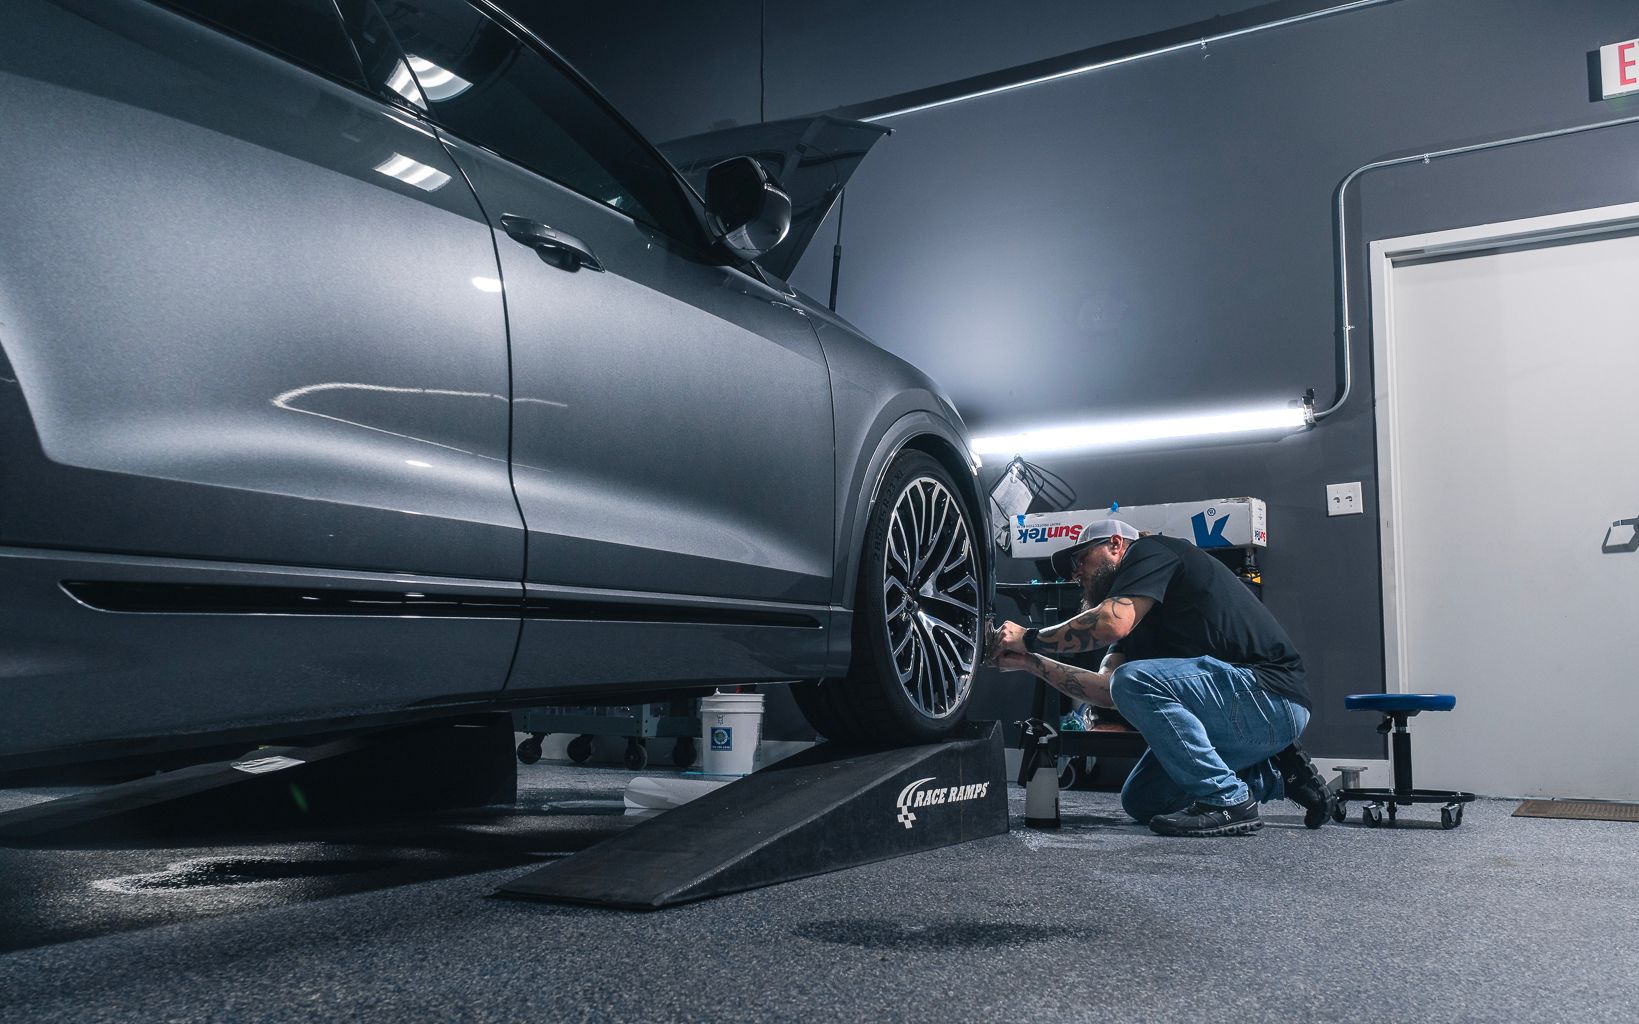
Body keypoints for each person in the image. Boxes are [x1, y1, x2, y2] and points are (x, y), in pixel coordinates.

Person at [994, 519, 1333, 836]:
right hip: (1242, 717)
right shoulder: (1137, 617)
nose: (1076, 572)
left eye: (1081, 558)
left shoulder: (1151, 551)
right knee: (1143, 801)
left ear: (1115, 545)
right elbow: (1109, 692)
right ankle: (1276, 774)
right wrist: (1030, 662)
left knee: (1133, 678)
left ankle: (1228, 799)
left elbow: (1111, 627)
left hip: (1270, 696)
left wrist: (1029, 637)